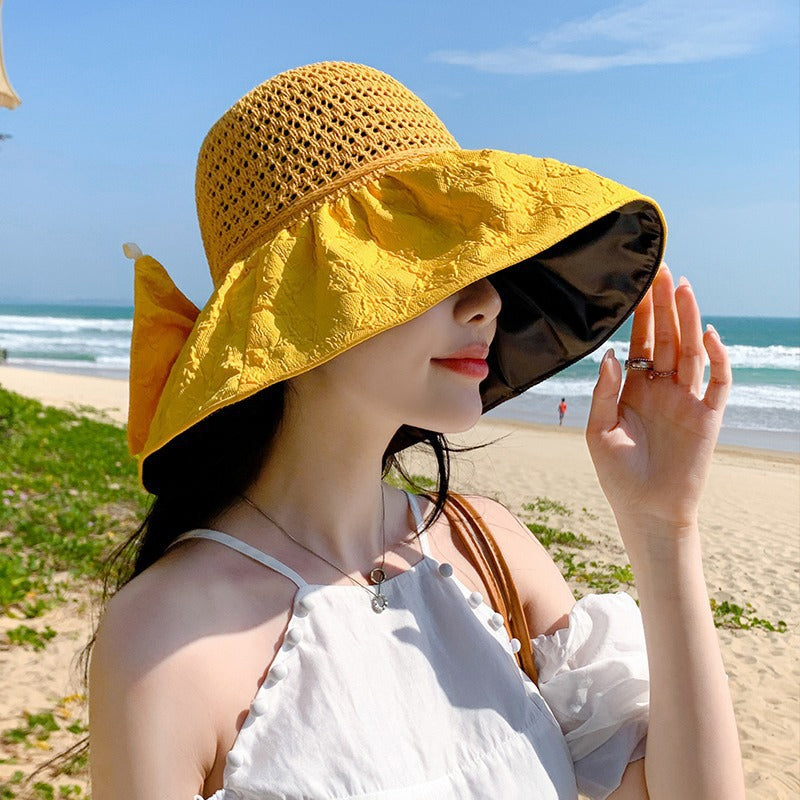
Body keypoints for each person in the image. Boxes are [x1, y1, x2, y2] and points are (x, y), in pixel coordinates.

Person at [88, 62, 744, 800]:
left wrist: (663, 527)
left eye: (478, 260)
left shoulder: (489, 550)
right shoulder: (167, 641)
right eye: (426, 266)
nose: (488, 302)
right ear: (297, 307)